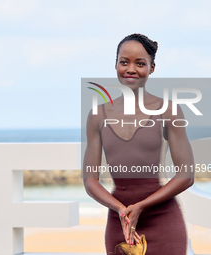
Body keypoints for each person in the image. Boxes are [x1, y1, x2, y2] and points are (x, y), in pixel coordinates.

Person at [83, 33, 195, 255]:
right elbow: (90, 180)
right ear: (115, 64)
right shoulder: (97, 115)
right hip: (120, 223)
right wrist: (120, 210)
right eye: (124, 62)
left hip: (163, 220)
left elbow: (186, 175)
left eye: (140, 63)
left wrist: (141, 206)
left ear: (152, 68)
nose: (131, 69)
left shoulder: (169, 111)